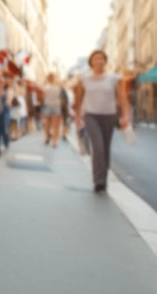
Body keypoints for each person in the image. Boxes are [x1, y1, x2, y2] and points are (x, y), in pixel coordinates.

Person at [72, 49, 130, 193]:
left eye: (101, 58)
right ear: (91, 62)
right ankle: (98, 181)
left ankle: (103, 179)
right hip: (91, 116)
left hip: (109, 116)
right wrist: (77, 117)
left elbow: (122, 98)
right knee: (97, 147)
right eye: (96, 58)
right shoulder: (84, 79)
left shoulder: (113, 78)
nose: (99, 61)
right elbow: (78, 100)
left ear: (105, 61)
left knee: (105, 149)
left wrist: (126, 115)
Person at [41, 73, 64, 147]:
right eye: (50, 77)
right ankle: (47, 136)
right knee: (46, 124)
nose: (51, 78)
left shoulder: (58, 85)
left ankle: (55, 141)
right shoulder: (45, 86)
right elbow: (41, 93)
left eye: (52, 77)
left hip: (56, 106)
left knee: (55, 125)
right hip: (47, 106)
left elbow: (61, 96)